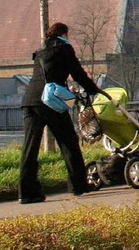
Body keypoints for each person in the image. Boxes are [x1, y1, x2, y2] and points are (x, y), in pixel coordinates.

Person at [18, 22, 110, 204]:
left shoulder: (40, 51)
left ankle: (26, 193)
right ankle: (78, 186)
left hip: (31, 101)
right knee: (69, 143)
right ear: (64, 34)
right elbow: (78, 74)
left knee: (30, 148)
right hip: (50, 102)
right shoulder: (64, 48)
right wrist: (96, 91)